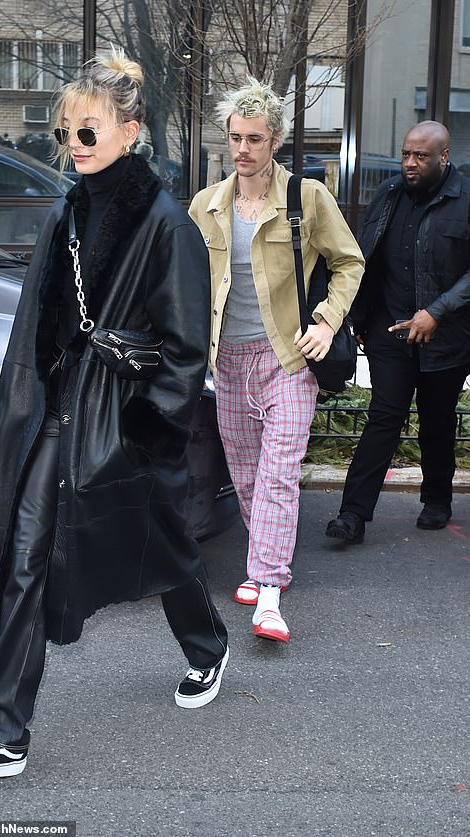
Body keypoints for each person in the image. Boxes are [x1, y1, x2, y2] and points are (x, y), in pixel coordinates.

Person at [0, 49, 229, 784]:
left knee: (165, 547)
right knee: (27, 558)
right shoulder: (67, 210)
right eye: (67, 132)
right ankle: (1, 730)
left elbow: (189, 348)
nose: (74, 145)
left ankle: (207, 645)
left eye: (89, 131)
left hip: (121, 422)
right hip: (58, 417)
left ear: (132, 131)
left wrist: (143, 434)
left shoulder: (166, 224)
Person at [189, 78, 363, 642]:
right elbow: (189, 282)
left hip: (287, 359)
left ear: (276, 140)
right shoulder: (206, 206)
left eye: (255, 139)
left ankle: (266, 589)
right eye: (236, 138)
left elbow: (349, 262)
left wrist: (326, 321)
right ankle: (270, 562)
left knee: (279, 475)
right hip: (228, 362)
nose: (243, 149)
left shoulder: (307, 198)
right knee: (244, 472)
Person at [326, 121, 470, 543]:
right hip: (389, 331)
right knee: (383, 419)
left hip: (446, 337)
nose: (410, 163)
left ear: (443, 157)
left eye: (421, 156)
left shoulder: (465, 201)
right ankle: (352, 515)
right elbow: (363, 257)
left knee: (437, 420)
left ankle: (437, 499)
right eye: (407, 153)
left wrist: (437, 312)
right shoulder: (388, 195)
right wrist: (359, 320)